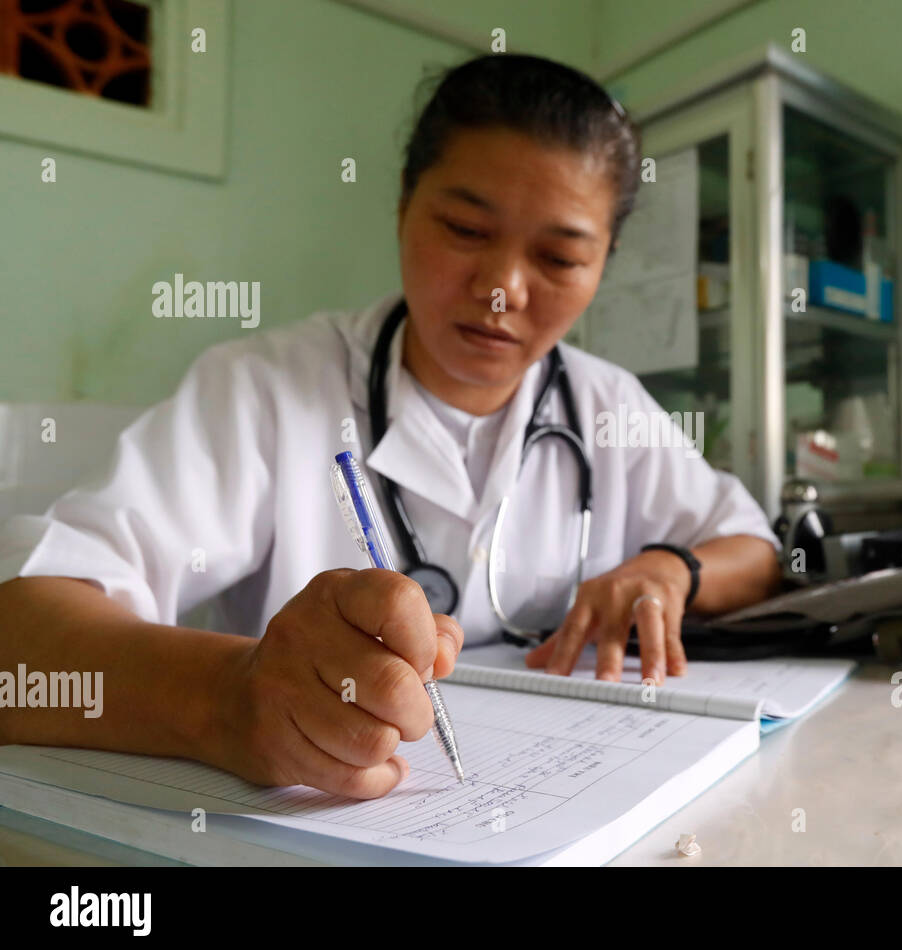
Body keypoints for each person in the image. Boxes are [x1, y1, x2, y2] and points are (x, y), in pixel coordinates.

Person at [0, 54, 782, 799]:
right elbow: (20, 649)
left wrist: (676, 566)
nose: (503, 290)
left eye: (559, 258)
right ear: (405, 203)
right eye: (467, 231)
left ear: (604, 264)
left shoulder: (608, 405)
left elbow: (755, 550)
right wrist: (231, 699)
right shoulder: (265, 389)